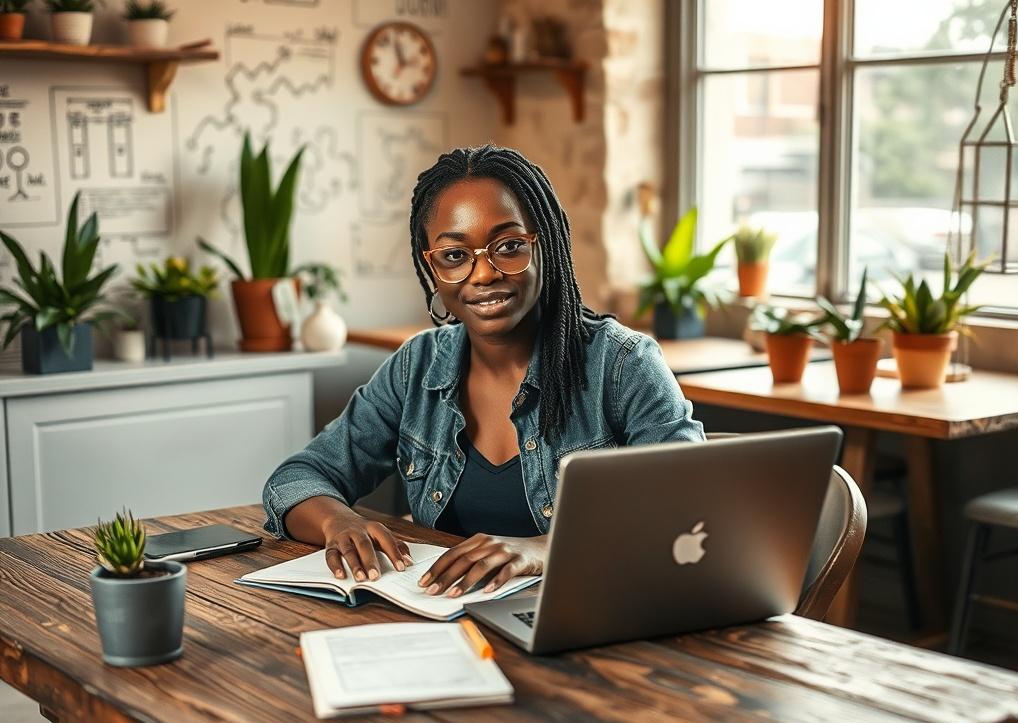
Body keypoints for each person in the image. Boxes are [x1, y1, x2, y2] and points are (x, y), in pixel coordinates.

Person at [263, 145, 704, 598]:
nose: (482, 274)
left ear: (544, 243)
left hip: (596, 613)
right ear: (430, 265)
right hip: (452, 618)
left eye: (509, 247)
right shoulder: (416, 366)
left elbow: (692, 509)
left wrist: (543, 551)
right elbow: (296, 478)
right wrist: (340, 520)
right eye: (455, 256)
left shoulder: (622, 364)